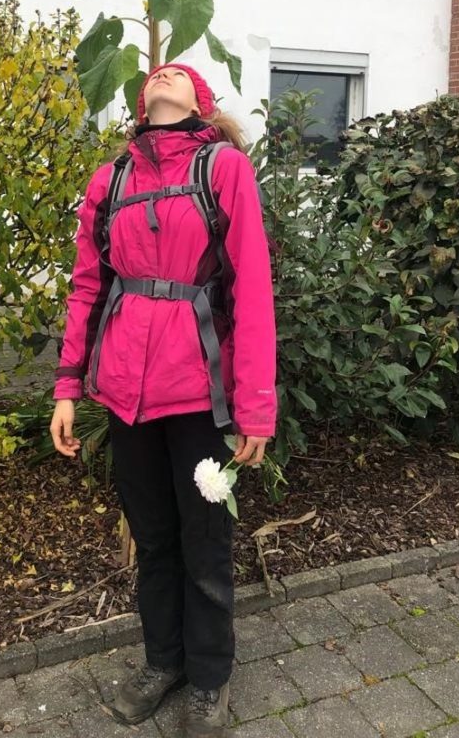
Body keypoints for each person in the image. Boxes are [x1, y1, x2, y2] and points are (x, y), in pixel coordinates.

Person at [50, 61, 277, 737]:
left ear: (199, 103)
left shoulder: (223, 168)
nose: (164, 75)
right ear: (142, 102)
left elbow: (251, 286)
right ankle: (163, 662)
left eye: (179, 75)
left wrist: (256, 406)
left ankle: (208, 677)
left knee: (205, 541)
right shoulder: (111, 179)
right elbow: (87, 287)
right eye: (156, 75)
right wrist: (68, 386)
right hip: (125, 394)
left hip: (200, 392)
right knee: (152, 539)